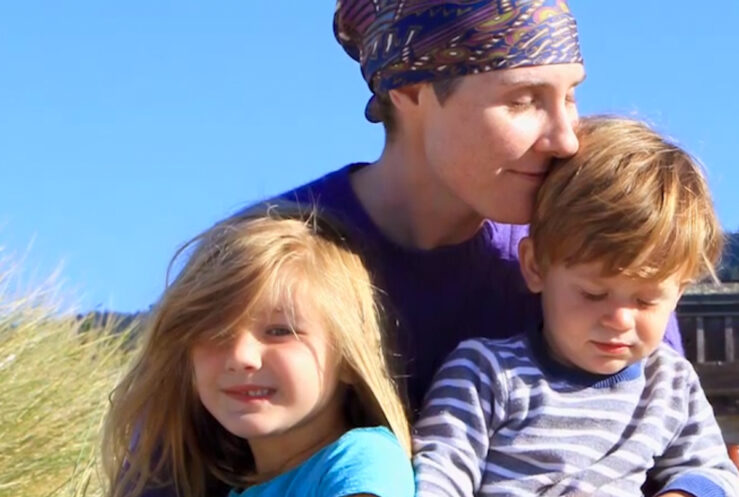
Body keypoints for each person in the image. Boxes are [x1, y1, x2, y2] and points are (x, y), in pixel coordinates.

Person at [272, 0, 683, 412]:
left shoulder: (591, 253)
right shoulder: (268, 258)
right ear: (410, 92)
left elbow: (678, 448)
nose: (566, 140)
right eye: (523, 100)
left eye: (570, 96)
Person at [412, 116, 739, 497]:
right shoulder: (485, 373)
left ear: (678, 293)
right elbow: (440, 474)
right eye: (593, 294)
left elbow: (713, 471)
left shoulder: (669, 383)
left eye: (645, 300)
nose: (619, 319)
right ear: (536, 266)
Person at [101, 208, 415, 497]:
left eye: (279, 331)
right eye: (215, 332)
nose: (241, 356)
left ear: (347, 358)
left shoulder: (361, 460)